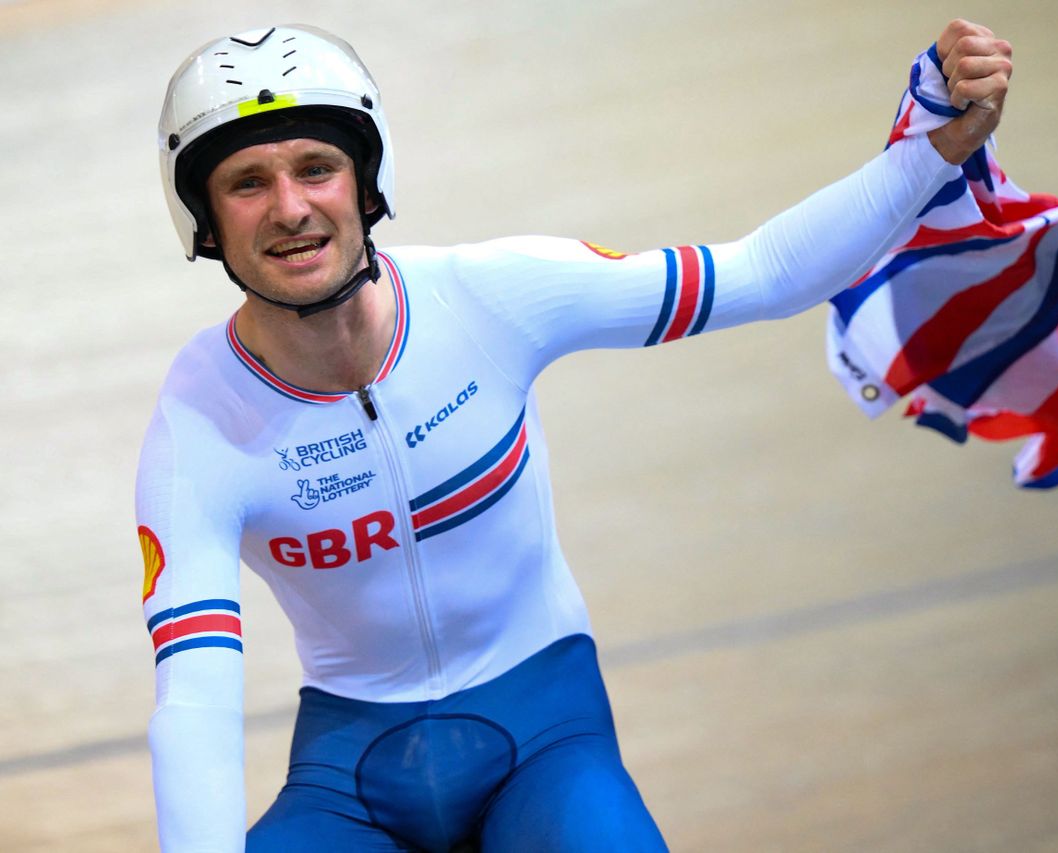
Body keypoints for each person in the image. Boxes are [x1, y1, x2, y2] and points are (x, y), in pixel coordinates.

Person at [138, 19, 1012, 852]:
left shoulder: (487, 296)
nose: (290, 207)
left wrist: (930, 150)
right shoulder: (199, 425)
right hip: (350, 785)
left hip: (546, 739)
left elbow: (765, 273)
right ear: (205, 222)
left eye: (316, 168)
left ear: (367, 183)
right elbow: (195, 701)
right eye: (248, 182)